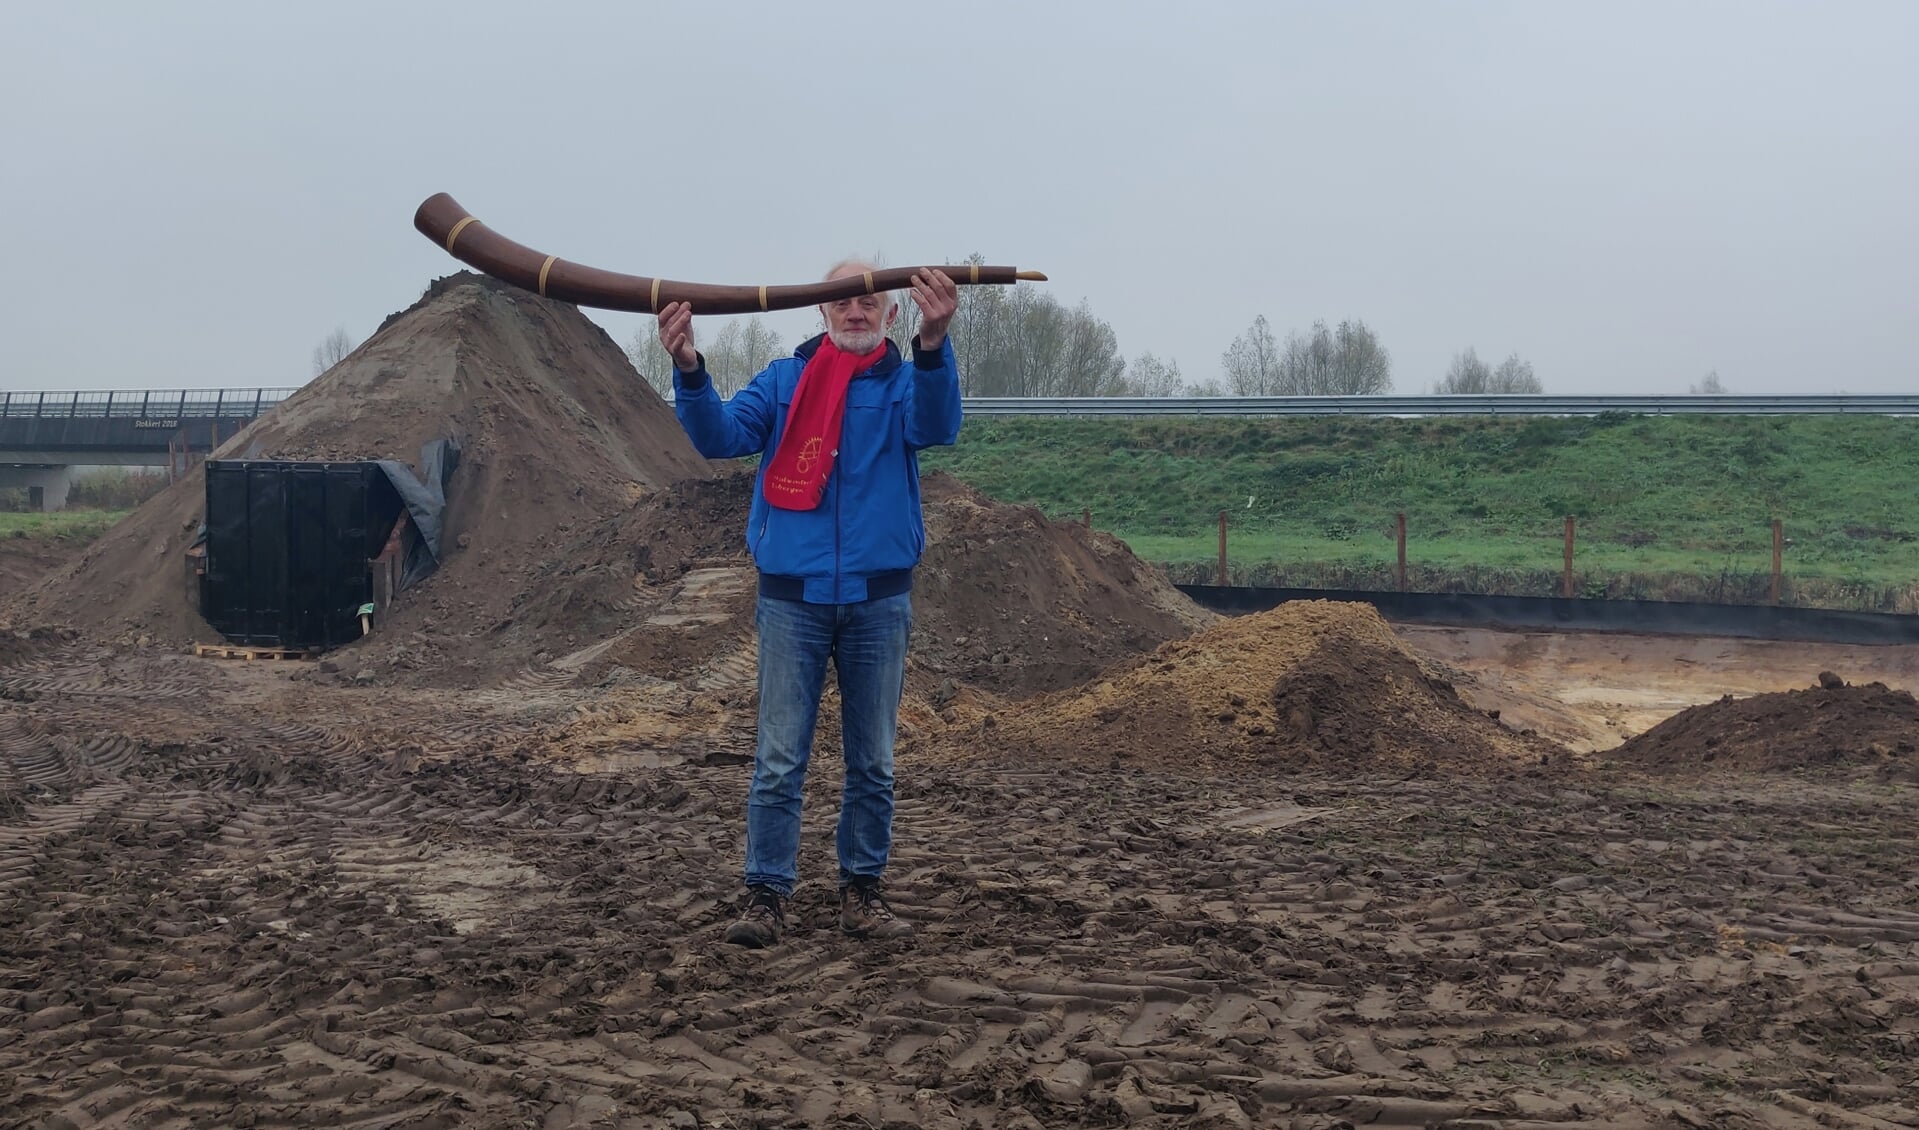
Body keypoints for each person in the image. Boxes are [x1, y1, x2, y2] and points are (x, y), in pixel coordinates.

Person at [660, 261, 962, 947]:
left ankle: (862, 891)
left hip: (878, 601)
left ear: (891, 315)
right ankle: (766, 895)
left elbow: (939, 425)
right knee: (776, 759)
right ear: (821, 314)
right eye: (841, 302)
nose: (856, 312)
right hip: (791, 601)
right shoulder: (781, 382)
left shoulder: (905, 383)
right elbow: (719, 439)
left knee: (873, 760)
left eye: (870, 303)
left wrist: (935, 345)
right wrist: (688, 368)